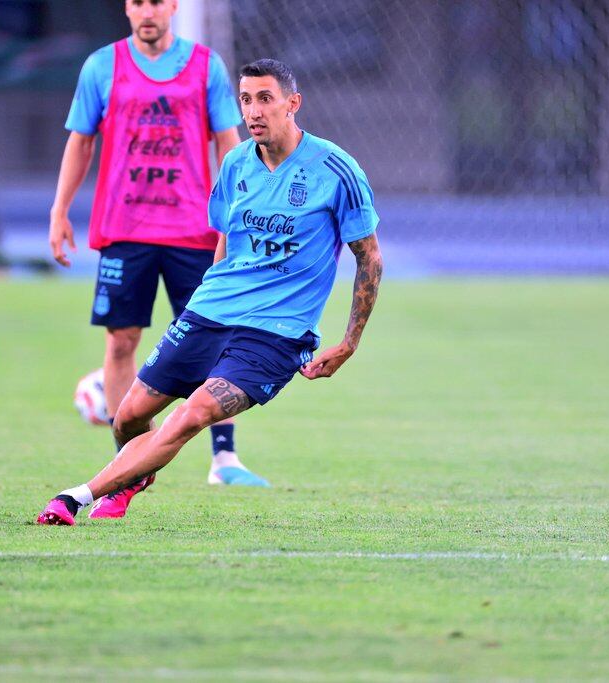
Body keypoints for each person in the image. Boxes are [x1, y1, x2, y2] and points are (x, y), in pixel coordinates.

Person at [37, 58, 383, 526]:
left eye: (265, 98)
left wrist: (349, 343)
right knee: (127, 418)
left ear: (292, 104)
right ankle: (133, 475)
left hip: (276, 335)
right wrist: (204, 301)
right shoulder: (235, 162)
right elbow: (226, 239)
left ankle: (78, 496)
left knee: (192, 414)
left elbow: (370, 258)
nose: (254, 111)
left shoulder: (335, 170)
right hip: (211, 315)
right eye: (246, 100)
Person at [48, 0, 266, 519]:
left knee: (213, 340)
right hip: (125, 228)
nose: (148, 10)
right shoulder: (102, 66)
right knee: (121, 340)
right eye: (138, 1)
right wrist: (60, 210)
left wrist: (238, 213)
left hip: (194, 229)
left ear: (172, 7)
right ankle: (127, 469)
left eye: (157, 1)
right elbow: (81, 142)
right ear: (129, 8)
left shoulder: (205, 66)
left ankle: (224, 458)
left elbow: (228, 145)